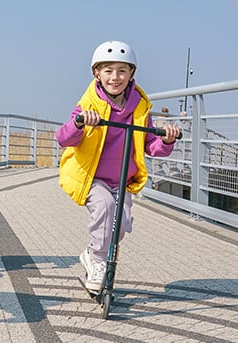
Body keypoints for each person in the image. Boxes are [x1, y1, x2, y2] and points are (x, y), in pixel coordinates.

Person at [56, 40, 180, 292]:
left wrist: (165, 140)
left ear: (132, 74)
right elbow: (63, 138)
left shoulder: (140, 107)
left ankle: (92, 253)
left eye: (122, 71)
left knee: (120, 223)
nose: (115, 77)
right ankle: (98, 260)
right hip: (90, 177)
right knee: (104, 205)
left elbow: (151, 144)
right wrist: (80, 123)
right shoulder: (88, 104)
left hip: (121, 178)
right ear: (97, 74)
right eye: (108, 70)